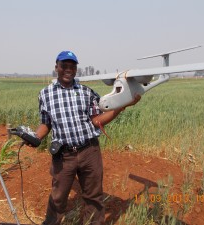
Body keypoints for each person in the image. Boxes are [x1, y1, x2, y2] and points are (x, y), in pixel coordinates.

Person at [35, 51, 141, 225]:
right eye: (64, 66)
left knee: (93, 197)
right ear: (57, 67)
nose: (68, 69)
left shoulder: (86, 92)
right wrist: (35, 137)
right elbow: (45, 124)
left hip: (89, 151)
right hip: (64, 155)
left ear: (76, 69)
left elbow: (97, 120)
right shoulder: (45, 94)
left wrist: (123, 106)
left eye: (72, 66)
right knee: (58, 197)